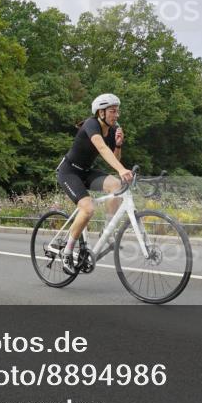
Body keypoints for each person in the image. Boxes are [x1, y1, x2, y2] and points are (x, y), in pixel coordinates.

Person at [55, 93, 133, 274]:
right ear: (101, 112)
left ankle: (107, 230)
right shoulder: (91, 124)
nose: (117, 115)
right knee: (88, 209)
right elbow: (101, 148)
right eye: (113, 111)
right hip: (69, 172)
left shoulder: (113, 131)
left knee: (116, 186)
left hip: (86, 172)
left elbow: (113, 158)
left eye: (117, 111)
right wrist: (122, 169)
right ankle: (67, 251)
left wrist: (119, 146)